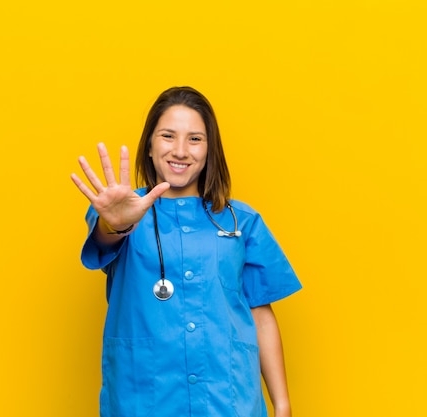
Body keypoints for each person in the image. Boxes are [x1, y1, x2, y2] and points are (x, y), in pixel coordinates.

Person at [71, 86, 302, 417]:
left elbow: (260, 313)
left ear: (210, 151)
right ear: (149, 146)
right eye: (168, 136)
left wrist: (282, 404)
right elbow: (105, 238)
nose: (180, 150)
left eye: (195, 139)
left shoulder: (242, 221)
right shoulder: (122, 210)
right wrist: (117, 224)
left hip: (228, 398)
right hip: (144, 399)